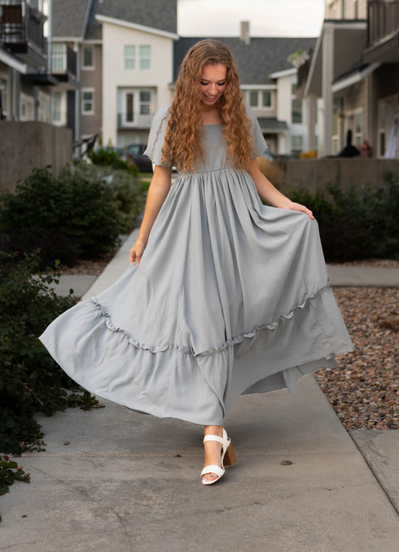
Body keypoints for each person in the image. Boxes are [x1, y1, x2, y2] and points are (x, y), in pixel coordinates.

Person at [39, 39, 355, 486]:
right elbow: (159, 183)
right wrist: (143, 236)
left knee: (227, 322)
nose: (213, 90)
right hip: (188, 232)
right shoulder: (169, 119)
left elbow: (252, 171)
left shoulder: (239, 116)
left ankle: (214, 431)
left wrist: (289, 205)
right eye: (205, 82)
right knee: (202, 322)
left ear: (231, 81)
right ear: (191, 78)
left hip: (238, 227)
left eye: (221, 82)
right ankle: (213, 435)